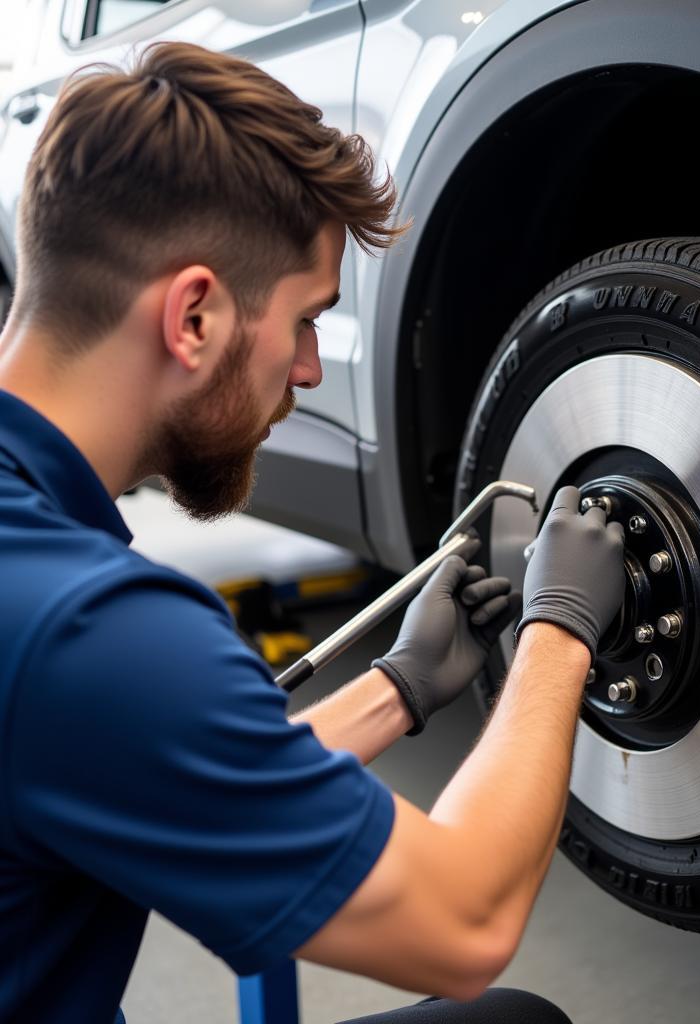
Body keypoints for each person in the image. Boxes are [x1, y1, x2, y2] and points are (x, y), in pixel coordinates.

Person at [0, 41, 625, 1024]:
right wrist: (559, 629)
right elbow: (465, 922)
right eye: (303, 320)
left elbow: (151, 763)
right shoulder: (85, 627)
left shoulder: (41, 588)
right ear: (195, 314)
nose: (306, 371)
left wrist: (396, 688)